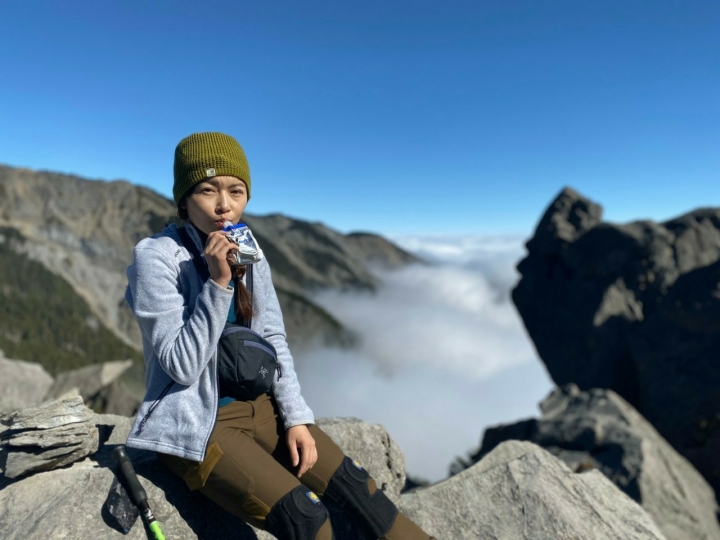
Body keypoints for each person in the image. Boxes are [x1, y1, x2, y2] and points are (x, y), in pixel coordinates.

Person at [124, 132, 435, 540]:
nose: (224, 205)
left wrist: (297, 418)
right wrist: (219, 285)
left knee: (361, 494)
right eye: (207, 190)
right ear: (184, 199)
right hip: (195, 422)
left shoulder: (247, 247)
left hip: (261, 404)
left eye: (236, 191)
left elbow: (271, 334)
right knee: (306, 518)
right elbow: (181, 365)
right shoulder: (157, 257)